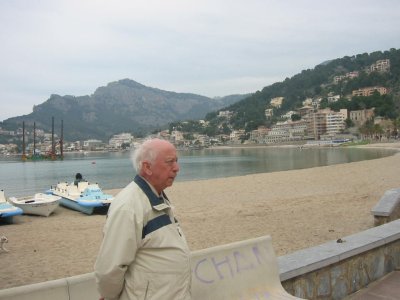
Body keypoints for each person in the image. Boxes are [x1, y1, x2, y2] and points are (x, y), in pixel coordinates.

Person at [94, 138, 191, 300]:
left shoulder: (156, 196)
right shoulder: (129, 206)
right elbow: (109, 269)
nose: (177, 168)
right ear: (147, 167)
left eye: (177, 161)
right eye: (170, 162)